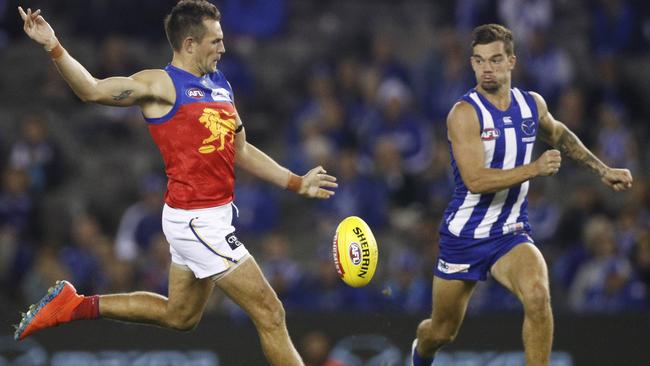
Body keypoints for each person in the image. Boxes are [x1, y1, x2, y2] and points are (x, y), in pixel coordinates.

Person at [15, 2, 338, 366]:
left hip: (209, 216)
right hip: (196, 220)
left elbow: (241, 151)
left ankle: (76, 305)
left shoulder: (220, 85)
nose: (223, 47)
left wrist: (297, 183)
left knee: (180, 317)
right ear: (189, 43)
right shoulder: (161, 84)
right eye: (215, 41)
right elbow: (91, 89)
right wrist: (52, 45)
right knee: (271, 313)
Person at [411, 24, 633, 366]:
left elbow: (559, 134)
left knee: (538, 295)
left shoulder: (531, 105)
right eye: (480, 60)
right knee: (441, 333)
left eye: (496, 59)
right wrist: (534, 168)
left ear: (511, 61)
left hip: (511, 233)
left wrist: (603, 170)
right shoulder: (464, 114)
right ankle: (419, 354)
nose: (487, 67)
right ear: (472, 64)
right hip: (465, 236)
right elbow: (474, 180)